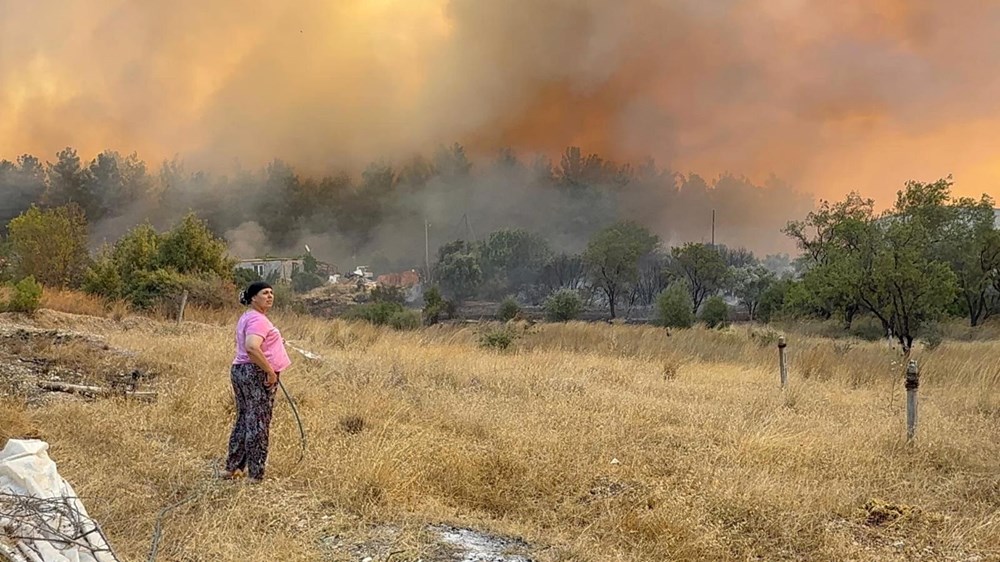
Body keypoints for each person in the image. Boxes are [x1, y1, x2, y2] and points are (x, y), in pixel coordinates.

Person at [223, 281, 292, 482]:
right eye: (265, 293)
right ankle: (255, 473)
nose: (270, 296)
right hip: (255, 373)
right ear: (253, 297)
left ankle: (233, 467)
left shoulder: (248, 317)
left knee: (244, 418)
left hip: (240, 370)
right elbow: (252, 346)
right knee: (258, 422)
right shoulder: (259, 320)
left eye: (271, 293)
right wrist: (270, 372)